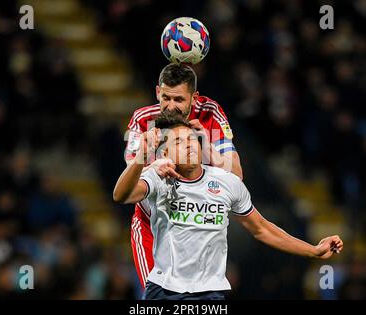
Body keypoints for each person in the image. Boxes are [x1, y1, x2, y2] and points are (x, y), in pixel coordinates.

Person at [114, 114, 344, 300]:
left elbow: (262, 229)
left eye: (192, 139)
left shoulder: (227, 182)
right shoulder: (159, 178)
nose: (188, 145)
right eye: (178, 142)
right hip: (164, 291)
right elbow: (121, 195)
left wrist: (312, 250)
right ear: (165, 153)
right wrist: (141, 158)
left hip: (210, 294)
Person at [124, 63, 242, 287]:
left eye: (179, 100)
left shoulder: (210, 114)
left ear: (194, 98)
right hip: (152, 227)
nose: (170, 106)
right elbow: (130, 177)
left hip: (196, 227)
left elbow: (236, 174)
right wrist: (154, 163)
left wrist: (206, 144)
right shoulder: (142, 119)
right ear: (158, 92)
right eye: (166, 98)